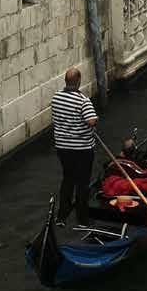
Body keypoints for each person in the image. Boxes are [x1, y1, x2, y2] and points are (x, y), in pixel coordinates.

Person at [51, 67, 98, 227]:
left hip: (62, 148)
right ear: (78, 81)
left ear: (66, 81)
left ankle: (61, 217)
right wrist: (95, 120)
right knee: (82, 183)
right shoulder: (83, 101)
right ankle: (82, 220)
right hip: (82, 149)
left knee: (68, 179)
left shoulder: (56, 97)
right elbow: (91, 121)